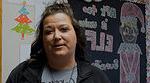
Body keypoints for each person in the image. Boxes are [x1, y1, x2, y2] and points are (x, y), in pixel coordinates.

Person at [6, 2, 110, 83]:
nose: (56, 36)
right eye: (49, 31)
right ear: (42, 39)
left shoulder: (97, 78)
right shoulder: (21, 74)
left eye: (64, 29)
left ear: (77, 35)